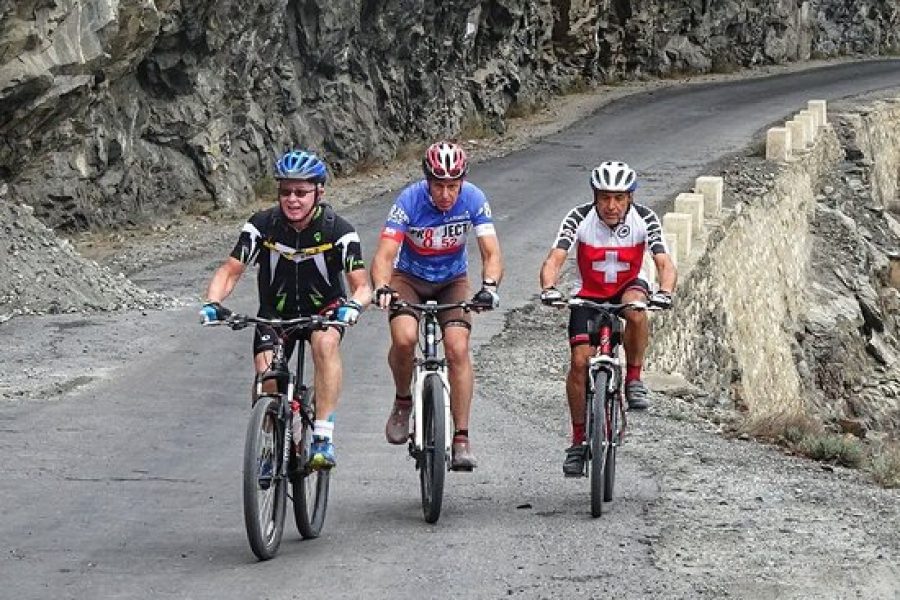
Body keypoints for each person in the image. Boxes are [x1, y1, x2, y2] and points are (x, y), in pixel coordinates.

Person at [200, 149, 372, 470]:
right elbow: (230, 270)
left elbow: (362, 284)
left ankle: (322, 436)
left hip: (325, 310)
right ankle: (273, 444)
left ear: (319, 192)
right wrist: (213, 303)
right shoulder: (262, 226)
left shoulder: (339, 231)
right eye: (285, 192)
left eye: (302, 192)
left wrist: (353, 306)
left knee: (324, 344)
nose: (293, 199)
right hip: (275, 313)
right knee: (266, 380)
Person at [371, 141, 503, 471]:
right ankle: (403, 400)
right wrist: (382, 287)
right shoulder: (409, 200)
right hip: (409, 279)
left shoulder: (474, 198)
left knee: (457, 348)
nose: (446, 194)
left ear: (462, 182)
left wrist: (488, 287)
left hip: (452, 281)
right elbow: (385, 254)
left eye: (453, 186)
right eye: (439, 185)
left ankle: (461, 438)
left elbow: (491, 252)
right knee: (403, 338)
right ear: (427, 180)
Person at [538, 160, 676, 476]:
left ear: (630, 197)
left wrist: (665, 291)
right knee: (578, 361)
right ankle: (577, 440)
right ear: (595, 196)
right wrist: (549, 287)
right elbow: (554, 258)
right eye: (604, 197)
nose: (611, 205)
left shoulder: (645, 219)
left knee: (637, 310)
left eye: (619, 198)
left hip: (629, 285)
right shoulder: (578, 218)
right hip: (588, 292)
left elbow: (664, 263)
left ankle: (633, 379)